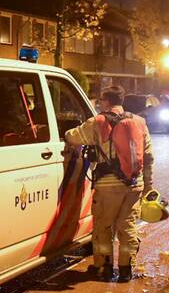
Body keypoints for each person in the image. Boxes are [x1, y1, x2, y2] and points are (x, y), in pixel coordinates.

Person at [64, 85, 154, 282]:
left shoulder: (98, 121)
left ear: (106, 101)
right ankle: (125, 270)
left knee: (103, 228)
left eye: (101, 100)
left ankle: (103, 269)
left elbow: (73, 136)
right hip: (133, 185)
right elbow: (148, 157)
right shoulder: (139, 122)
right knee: (127, 227)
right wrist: (148, 185)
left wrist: (67, 131)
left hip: (107, 186)